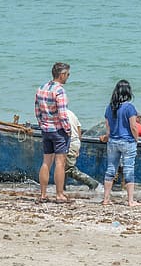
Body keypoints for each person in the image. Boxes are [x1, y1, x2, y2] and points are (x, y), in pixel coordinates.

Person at [34, 63, 71, 203]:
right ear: (61, 75)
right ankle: (59, 194)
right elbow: (62, 114)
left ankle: (43, 194)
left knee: (46, 162)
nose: (68, 77)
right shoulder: (60, 91)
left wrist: (42, 124)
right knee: (60, 163)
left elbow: (37, 111)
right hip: (58, 130)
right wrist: (68, 130)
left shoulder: (41, 88)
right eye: (67, 74)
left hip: (46, 129)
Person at [101, 80, 141, 207]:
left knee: (111, 169)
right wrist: (136, 139)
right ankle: (130, 201)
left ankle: (106, 199)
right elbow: (133, 126)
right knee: (128, 169)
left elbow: (107, 126)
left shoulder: (110, 107)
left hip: (113, 141)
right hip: (127, 141)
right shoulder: (129, 107)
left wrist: (108, 136)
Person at [64, 109, 100, 191]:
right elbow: (78, 128)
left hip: (69, 142)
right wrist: (78, 144)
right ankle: (62, 188)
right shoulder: (71, 113)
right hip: (75, 141)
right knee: (63, 166)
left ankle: (91, 182)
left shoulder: (60, 114)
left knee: (68, 169)